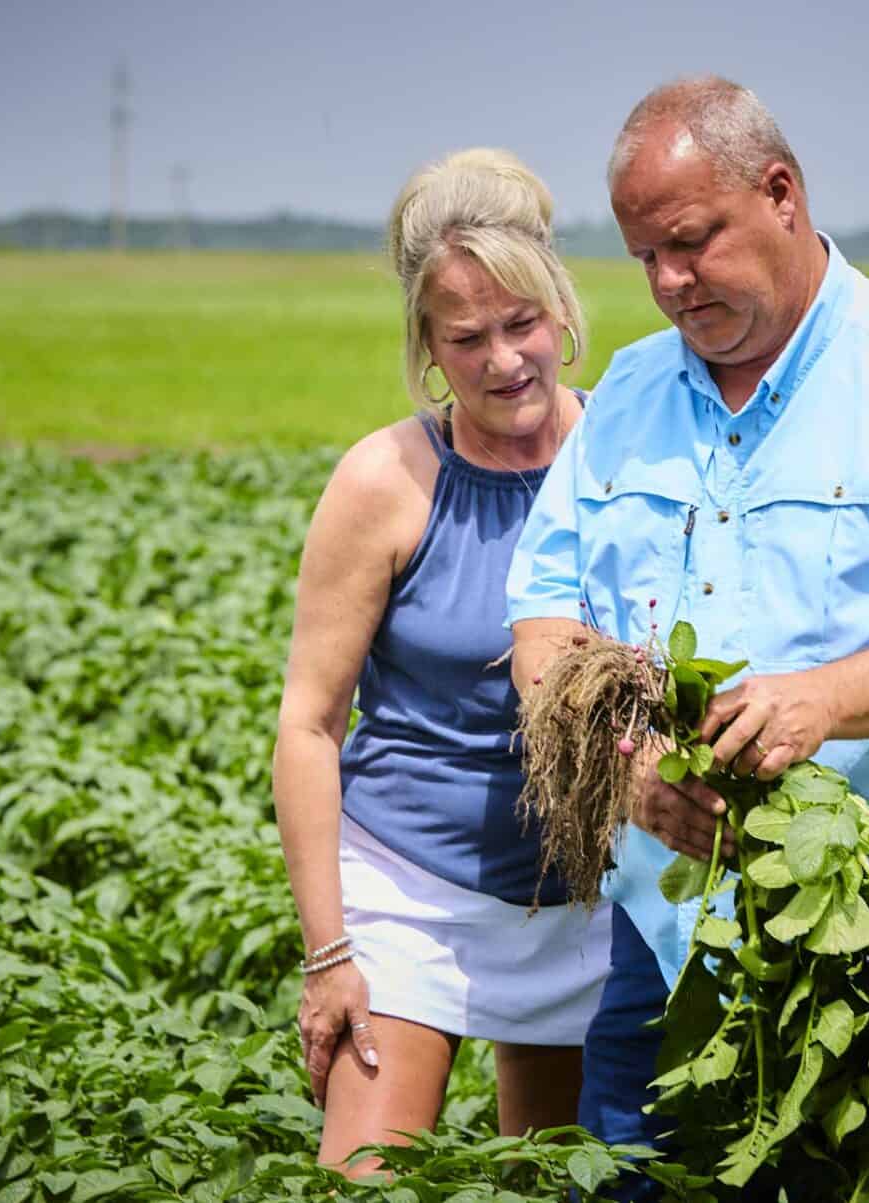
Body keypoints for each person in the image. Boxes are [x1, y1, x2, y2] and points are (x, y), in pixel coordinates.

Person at [507, 78, 869, 1200]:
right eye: (643, 259)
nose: (668, 283)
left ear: (778, 194)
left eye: (689, 242)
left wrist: (826, 700)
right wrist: (626, 774)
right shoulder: (624, 397)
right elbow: (543, 619)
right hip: (663, 953)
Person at [273, 147, 608, 1171]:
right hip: (405, 892)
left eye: (522, 326)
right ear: (426, 344)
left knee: (554, 1178)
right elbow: (308, 725)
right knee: (365, 1178)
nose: (505, 360)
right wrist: (329, 954)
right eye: (467, 339)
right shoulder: (384, 481)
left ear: (559, 311)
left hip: (583, 893)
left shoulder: (623, 459)